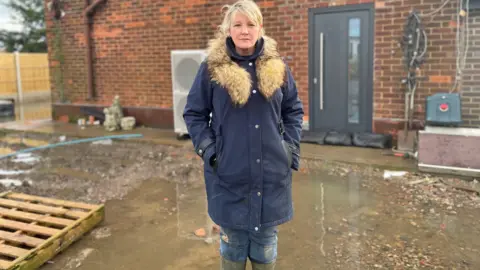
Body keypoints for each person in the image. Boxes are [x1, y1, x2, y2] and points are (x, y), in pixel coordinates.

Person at [183, 0, 304, 269]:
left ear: (260, 28)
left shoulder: (278, 67)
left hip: (271, 176)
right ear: (227, 30)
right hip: (228, 176)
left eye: (250, 24)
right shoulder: (211, 69)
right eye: (237, 24)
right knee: (233, 247)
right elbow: (194, 114)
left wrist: (290, 149)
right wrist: (210, 152)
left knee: (265, 248)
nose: (244, 30)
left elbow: (293, 110)